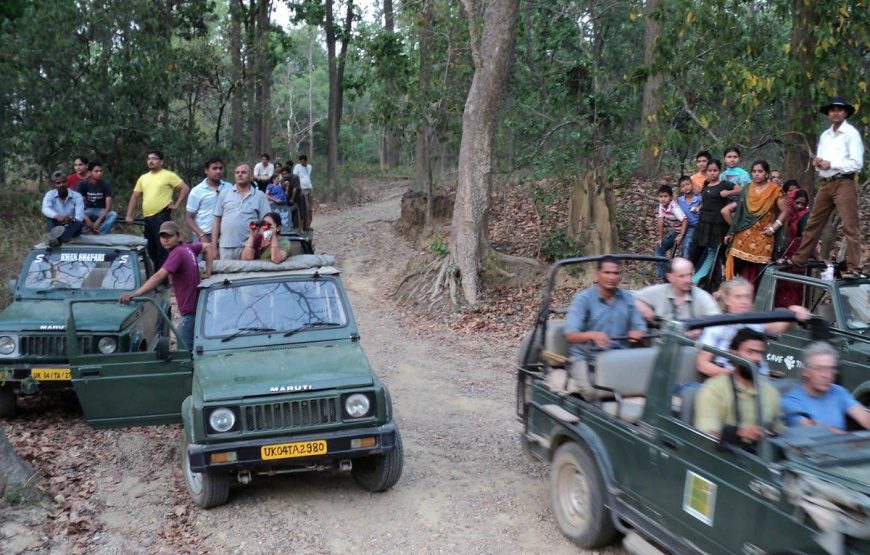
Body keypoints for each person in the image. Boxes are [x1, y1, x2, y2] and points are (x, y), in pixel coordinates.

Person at [782, 96, 865, 279]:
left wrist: (831, 164)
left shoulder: (851, 134)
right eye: (832, 110)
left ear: (845, 113)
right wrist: (818, 163)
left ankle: (854, 267)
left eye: (839, 110)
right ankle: (799, 258)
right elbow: (822, 161)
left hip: (844, 182)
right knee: (813, 223)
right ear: (828, 113)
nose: (836, 112)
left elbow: (857, 163)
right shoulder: (825, 135)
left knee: (850, 226)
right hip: (826, 183)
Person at [561, 256, 647, 399]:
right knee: (593, 391)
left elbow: (640, 327)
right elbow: (569, 334)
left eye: (616, 273)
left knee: (647, 387)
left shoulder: (628, 298)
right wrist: (592, 335)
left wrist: (638, 332)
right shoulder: (583, 299)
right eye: (607, 273)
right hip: (587, 358)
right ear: (598, 274)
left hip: (619, 358)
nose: (612, 277)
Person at [120, 221, 212, 350]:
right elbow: (207, 247)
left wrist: (135, 293)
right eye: (163, 236)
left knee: (184, 354)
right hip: (195, 309)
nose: (165, 240)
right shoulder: (188, 248)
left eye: (169, 236)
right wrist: (208, 271)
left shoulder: (177, 253)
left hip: (189, 312)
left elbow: (159, 276)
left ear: (179, 237)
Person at [696, 277, 810, 378]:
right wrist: (734, 376)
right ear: (727, 300)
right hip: (730, 382)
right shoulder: (716, 325)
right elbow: (703, 364)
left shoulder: (755, 322)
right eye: (738, 297)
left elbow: (779, 327)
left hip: (760, 380)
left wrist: (794, 313)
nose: (744, 302)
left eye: (748, 297)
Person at [694, 328, 782, 444]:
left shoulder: (770, 392)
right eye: (750, 352)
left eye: (760, 353)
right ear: (734, 353)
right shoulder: (713, 390)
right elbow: (705, 437)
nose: (757, 358)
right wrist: (740, 433)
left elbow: (780, 431)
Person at [722, 160, 788, 283]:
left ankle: (760, 299)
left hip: (764, 236)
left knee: (763, 273)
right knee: (735, 268)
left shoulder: (775, 189)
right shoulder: (747, 189)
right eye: (754, 171)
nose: (756, 174)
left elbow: (784, 211)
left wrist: (774, 228)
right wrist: (731, 232)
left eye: (760, 171)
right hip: (742, 236)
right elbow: (739, 214)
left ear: (767, 174)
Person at [781, 342, 870, 432]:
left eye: (830, 369)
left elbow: (864, 418)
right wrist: (847, 438)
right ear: (805, 371)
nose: (826, 375)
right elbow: (812, 429)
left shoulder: (839, 392)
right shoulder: (791, 400)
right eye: (819, 369)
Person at [125, 149, 190, 270]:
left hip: (162, 216)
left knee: (163, 248)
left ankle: (164, 280)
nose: (151, 161)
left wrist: (176, 204)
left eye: (154, 159)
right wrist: (129, 215)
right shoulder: (143, 178)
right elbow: (135, 196)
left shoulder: (168, 175)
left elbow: (184, 188)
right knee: (151, 248)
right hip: (147, 217)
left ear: (161, 162)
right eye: (149, 159)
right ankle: (158, 274)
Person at [689, 159, 740, 291]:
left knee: (714, 252)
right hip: (703, 223)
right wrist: (699, 207)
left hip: (718, 224)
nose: (712, 173)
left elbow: (741, 190)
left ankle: (700, 280)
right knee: (695, 249)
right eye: (709, 171)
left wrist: (728, 193)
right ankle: (690, 276)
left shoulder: (725, 184)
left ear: (719, 171)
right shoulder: (706, 184)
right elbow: (706, 201)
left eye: (715, 170)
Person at [635, 257, 721, 325]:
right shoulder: (658, 291)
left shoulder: (702, 296)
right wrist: (643, 307)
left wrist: (701, 328)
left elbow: (716, 321)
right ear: (669, 277)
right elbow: (631, 299)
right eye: (682, 276)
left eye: (690, 275)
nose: (688, 280)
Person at [212, 163, 271, 260]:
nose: (239, 174)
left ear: (251, 177)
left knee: (248, 275)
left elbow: (267, 223)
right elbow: (216, 221)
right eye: (237, 172)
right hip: (226, 247)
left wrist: (266, 245)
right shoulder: (224, 194)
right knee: (226, 275)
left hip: (250, 247)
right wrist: (214, 247)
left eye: (243, 172)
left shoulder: (260, 196)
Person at [774, 189, 811, 308]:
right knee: (779, 288)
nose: (800, 206)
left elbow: (808, 237)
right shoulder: (783, 215)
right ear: (791, 201)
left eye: (803, 204)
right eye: (797, 203)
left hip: (796, 259)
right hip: (781, 257)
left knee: (795, 288)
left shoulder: (804, 216)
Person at [185, 157, 231, 244]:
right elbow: (189, 217)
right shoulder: (197, 191)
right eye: (214, 168)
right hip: (204, 235)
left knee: (225, 258)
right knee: (202, 258)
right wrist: (201, 235)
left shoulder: (229, 188)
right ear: (206, 170)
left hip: (225, 234)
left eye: (220, 168)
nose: (218, 171)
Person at [41, 170, 84, 247]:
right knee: (50, 218)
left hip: (72, 224)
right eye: (58, 183)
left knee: (79, 223)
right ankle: (55, 238)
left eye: (63, 182)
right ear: (54, 185)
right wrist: (57, 216)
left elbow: (80, 217)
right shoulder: (50, 194)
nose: (62, 185)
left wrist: (71, 219)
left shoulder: (77, 196)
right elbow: (45, 208)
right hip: (58, 223)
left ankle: (55, 239)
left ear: (67, 182)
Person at [654, 185, 687, 281]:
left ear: (671, 197)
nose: (663, 199)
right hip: (676, 231)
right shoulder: (661, 205)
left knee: (684, 255)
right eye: (660, 196)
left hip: (685, 231)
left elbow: (684, 220)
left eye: (665, 196)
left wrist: (681, 235)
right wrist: (660, 238)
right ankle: (665, 278)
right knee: (659, 248)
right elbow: (661, 220)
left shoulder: (674, 207)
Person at [77, 160, 117, 235]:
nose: (99, 173)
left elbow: (108, 207)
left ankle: (100, 233)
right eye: (96, 171)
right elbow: (78, 205)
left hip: (101, 210)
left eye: (101, 171)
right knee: (75, 214)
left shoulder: (106, 185)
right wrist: (86, 218)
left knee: (113, 214)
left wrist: (98, 222)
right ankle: (81, 232)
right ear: (89, 172)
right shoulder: (83, 184)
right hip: (87, 210)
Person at [676, 175, 702, 258]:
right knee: (685, 245)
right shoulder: (680, 200)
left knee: (689, 244)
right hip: (686, 225)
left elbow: (706, 204)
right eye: (683, 186)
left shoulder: (699, 198)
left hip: (697, 226)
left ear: (692, 185)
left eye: (687, 184)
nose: (686, 187)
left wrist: (699, 207)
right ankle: (684, 265)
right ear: (680, 189)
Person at [293, 155, 313, 230]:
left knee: (310, 208)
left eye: (303, 161)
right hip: (302, 189)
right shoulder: (297, 167)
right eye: (301, 161)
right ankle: (302, 225)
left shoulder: (309, 167)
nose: (302, 162)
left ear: (306, 161)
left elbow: (307, 176)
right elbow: (295, 176)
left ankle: (308, 224)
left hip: (309, 188)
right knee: (305, 207)